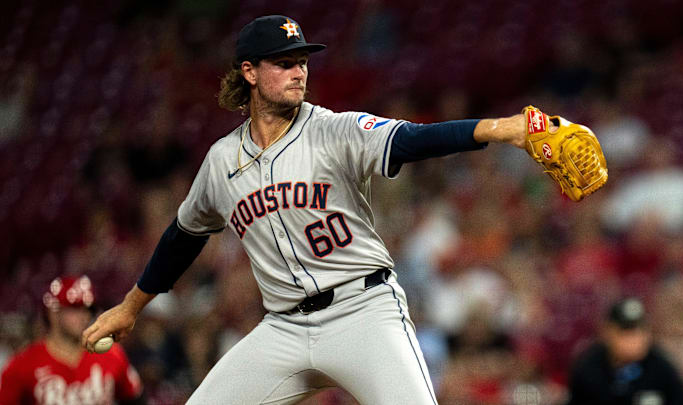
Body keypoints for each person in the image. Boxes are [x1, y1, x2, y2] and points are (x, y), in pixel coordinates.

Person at [80, 15, 536, 404]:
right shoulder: (222, 160)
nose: (299, 71)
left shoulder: (333, 130)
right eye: (283, 63)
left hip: (363, 311)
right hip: (283, 329)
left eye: (301, 61)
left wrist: (502, 128)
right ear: (250, 73)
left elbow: (413, 140)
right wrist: (131, 307)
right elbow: (184, 235)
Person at [0, 275, 143, 405]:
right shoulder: (23, 364)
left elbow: (135, 399)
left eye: (87, 309)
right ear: (53, 313)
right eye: (75, 308)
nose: (84, 316)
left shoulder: (112, 355)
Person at [566, 297, 683, 405]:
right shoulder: (589, 367)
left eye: (640, 331)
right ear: (608, 332)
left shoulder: (661, 368)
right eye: (626, 332)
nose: (635, 339)